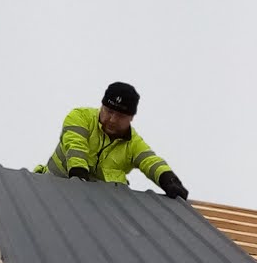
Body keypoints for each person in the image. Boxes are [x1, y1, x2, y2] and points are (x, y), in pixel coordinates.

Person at [39, 82, 187, 198]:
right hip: (52, 189)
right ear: (101, 106)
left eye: (120, 116)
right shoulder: (80, 117)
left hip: (97, 206)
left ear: (131, 118)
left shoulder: (133, 144)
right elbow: (76, 145)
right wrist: (78, 174)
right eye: (109, 111)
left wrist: (169, 180)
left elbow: (150, 161)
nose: (112, 119)